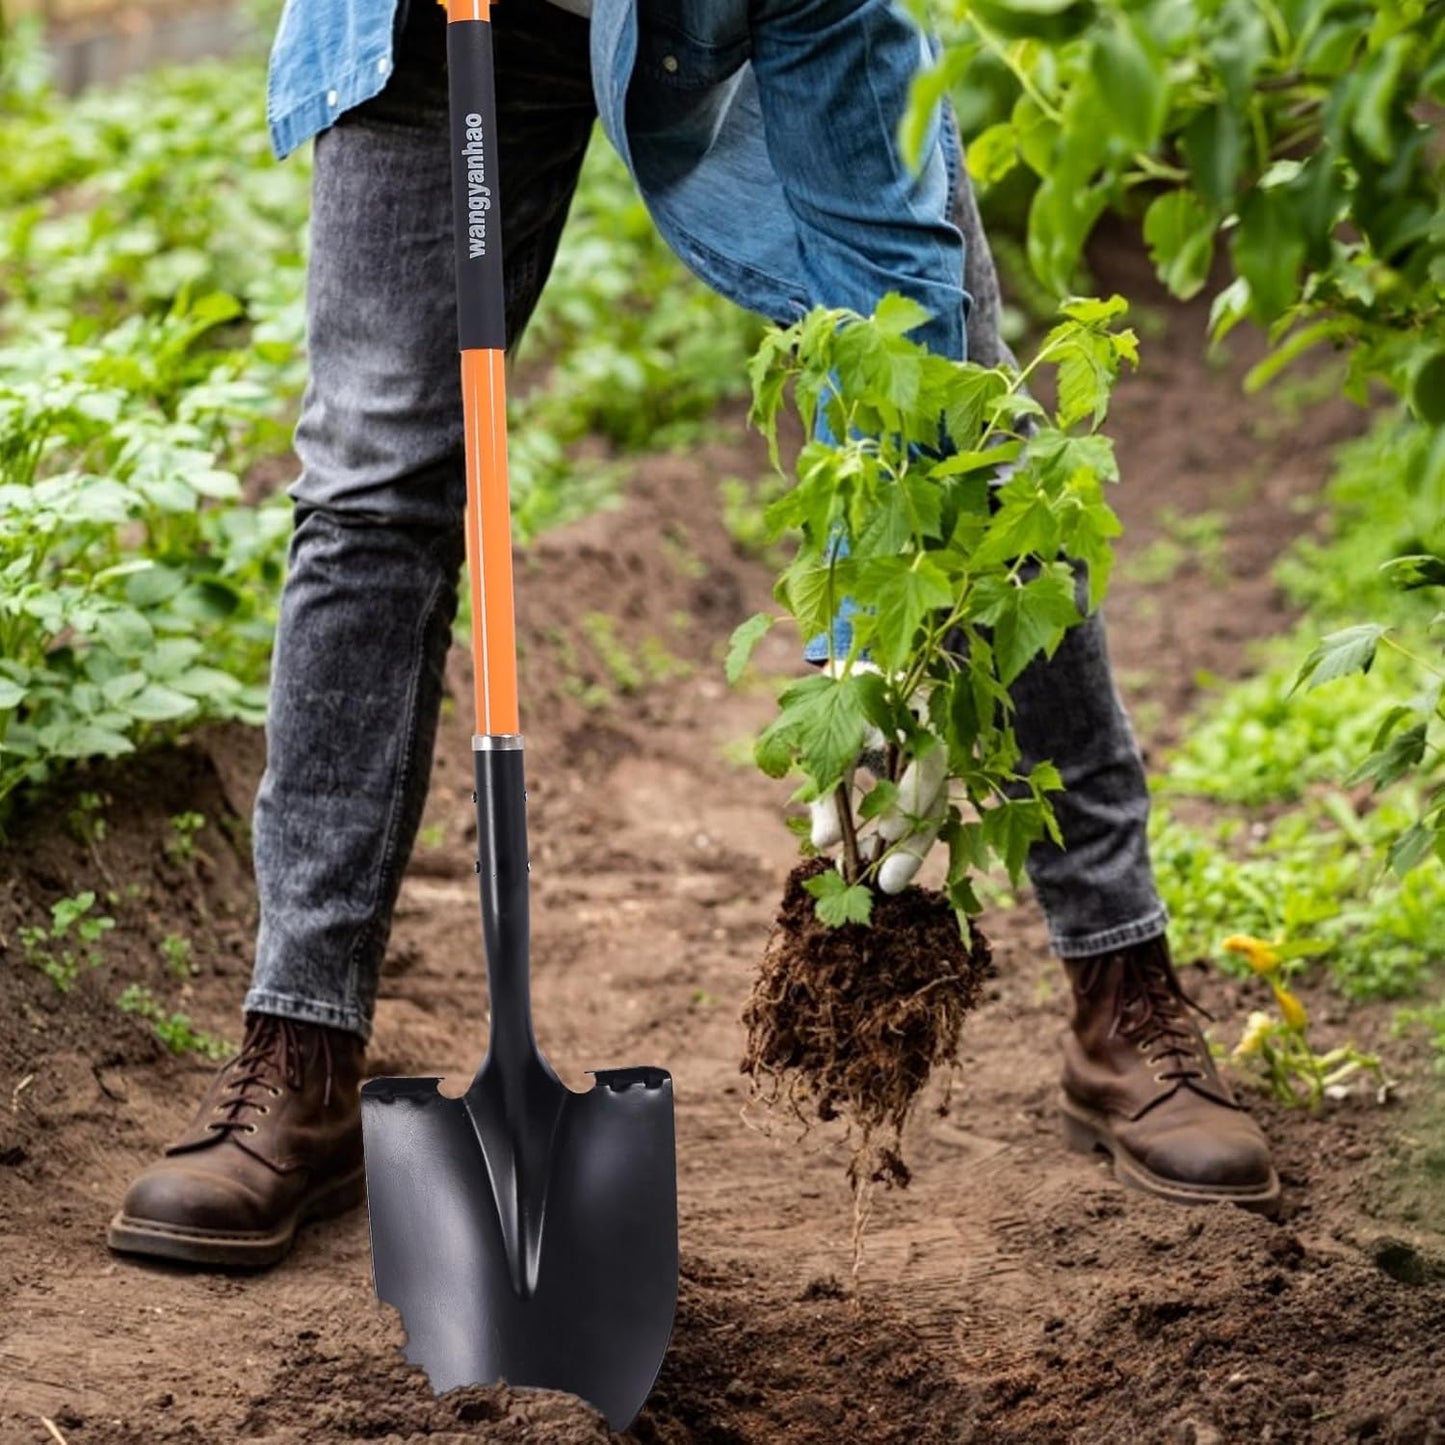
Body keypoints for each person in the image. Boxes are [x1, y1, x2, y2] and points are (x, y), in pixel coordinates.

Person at [107, 0, 1279, 1270]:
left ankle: (1121, 991)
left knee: (961, 435)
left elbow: (890, 307)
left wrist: (872, 654)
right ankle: (299, 1048)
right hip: (426, 29)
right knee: (373, 475)